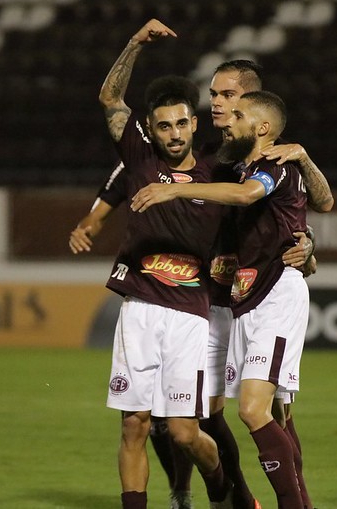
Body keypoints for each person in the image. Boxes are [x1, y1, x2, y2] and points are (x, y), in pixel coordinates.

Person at [131, 90, 320, 508]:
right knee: (231, 412)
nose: (223, 114)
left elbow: (256, 196)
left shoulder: (274, 164)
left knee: (258, 411)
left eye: (235, 110)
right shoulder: (233, 165)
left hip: (274, 293)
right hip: (239, 300)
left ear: (261, 126)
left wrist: (173, 192)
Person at [99, 19, 233, 509]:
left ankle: (220, 485)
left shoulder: (218, 171)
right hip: (139, 308)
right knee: (134, 424)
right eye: (163, 126)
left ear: (195, 123)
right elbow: (111, 99)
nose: (174, 134)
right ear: (151, 131)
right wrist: (135, 43)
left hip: (190, 315)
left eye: (181, 123)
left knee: (183, 433)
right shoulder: (140, 160)